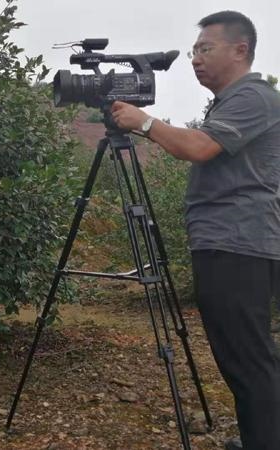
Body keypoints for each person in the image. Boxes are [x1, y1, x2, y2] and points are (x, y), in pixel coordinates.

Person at [111, 10, 280, 450]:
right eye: (193, 51)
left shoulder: (254, 96)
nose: (196, 59)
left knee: (247, 359)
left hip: (237, 244)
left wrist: (143, 122)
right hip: (231, 242)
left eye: (205, 49)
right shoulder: (232, 101)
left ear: (240, 50)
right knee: (244, 356)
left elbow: (199, 147)